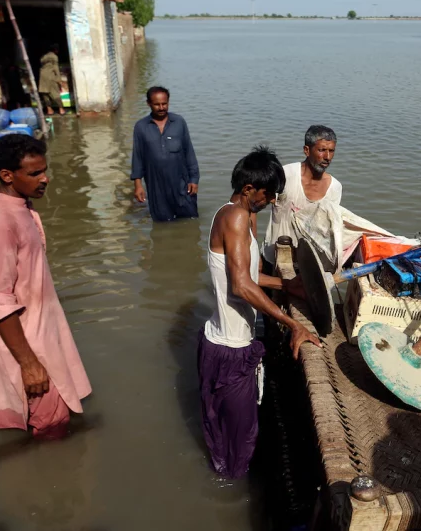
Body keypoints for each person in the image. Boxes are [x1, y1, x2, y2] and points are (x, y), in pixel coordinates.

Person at [200, 146, 320, 478]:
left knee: (221, 433)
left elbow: (248, 276)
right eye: (267, 196)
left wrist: (288, 287)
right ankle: (229, 498)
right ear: (249, 189)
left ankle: (222, 484)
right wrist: (290, 322)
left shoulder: (227, 213)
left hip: (218, 343)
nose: (269, 203)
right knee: (241, 439)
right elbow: (241, 286)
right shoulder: (237, 217)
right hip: (231, 350)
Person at [0, 134, 91, 439]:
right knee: (53, 436)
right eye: (35, 173)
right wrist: (29, 364)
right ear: (8, 176)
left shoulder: (15, 206)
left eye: (44, 170)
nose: (45, 179)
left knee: (57, 430)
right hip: (31, 348)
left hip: (42, 336)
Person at [262, 124, 342, 265]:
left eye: (331, 151)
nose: (328, 157)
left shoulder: (335, 188)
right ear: (307, 150)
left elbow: (328, 229)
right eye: (322, 150)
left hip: (307, 264)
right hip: (272, 257)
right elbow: (254, 204)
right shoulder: (285, 175)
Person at [130, 86, 200, 222]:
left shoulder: (179, 122)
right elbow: (137, 157)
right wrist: (138, 186)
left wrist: (194, 179)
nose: (161, 107)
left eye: (164, 103)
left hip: (181, 183)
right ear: (149, 104)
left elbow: (189, 152)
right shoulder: (141, 127)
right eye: (157, 104)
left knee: (190, 220)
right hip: (156, 186)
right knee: (162, 222)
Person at [37, 44, 65, 115]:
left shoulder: (43, 57)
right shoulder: (54, 57)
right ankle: (61, 109)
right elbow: (56, 68)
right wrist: (59, 80)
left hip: (42, 76)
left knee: (45, 93)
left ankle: (49, 110)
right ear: (55, 50)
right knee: (55, 92)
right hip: (50, 76)